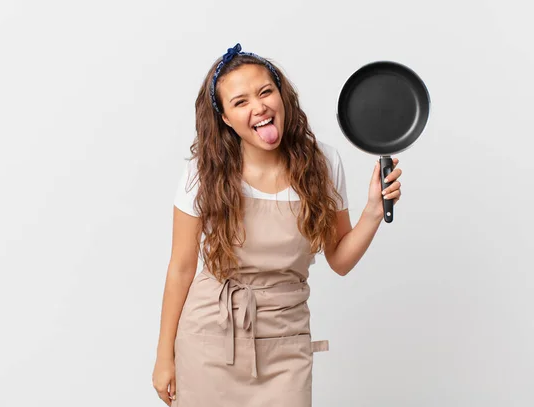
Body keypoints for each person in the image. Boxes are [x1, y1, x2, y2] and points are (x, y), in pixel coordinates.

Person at [152, 43, 402, 406]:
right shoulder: (201, 173)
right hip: (209, 339)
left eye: (266, 91)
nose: (259, 107)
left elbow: (340, 260)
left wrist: (373, 211)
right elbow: (181, 267)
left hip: (286, 343)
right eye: (240, 102)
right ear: (224, 117)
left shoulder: (323, 165)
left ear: (282, 95)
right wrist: (164, 357)